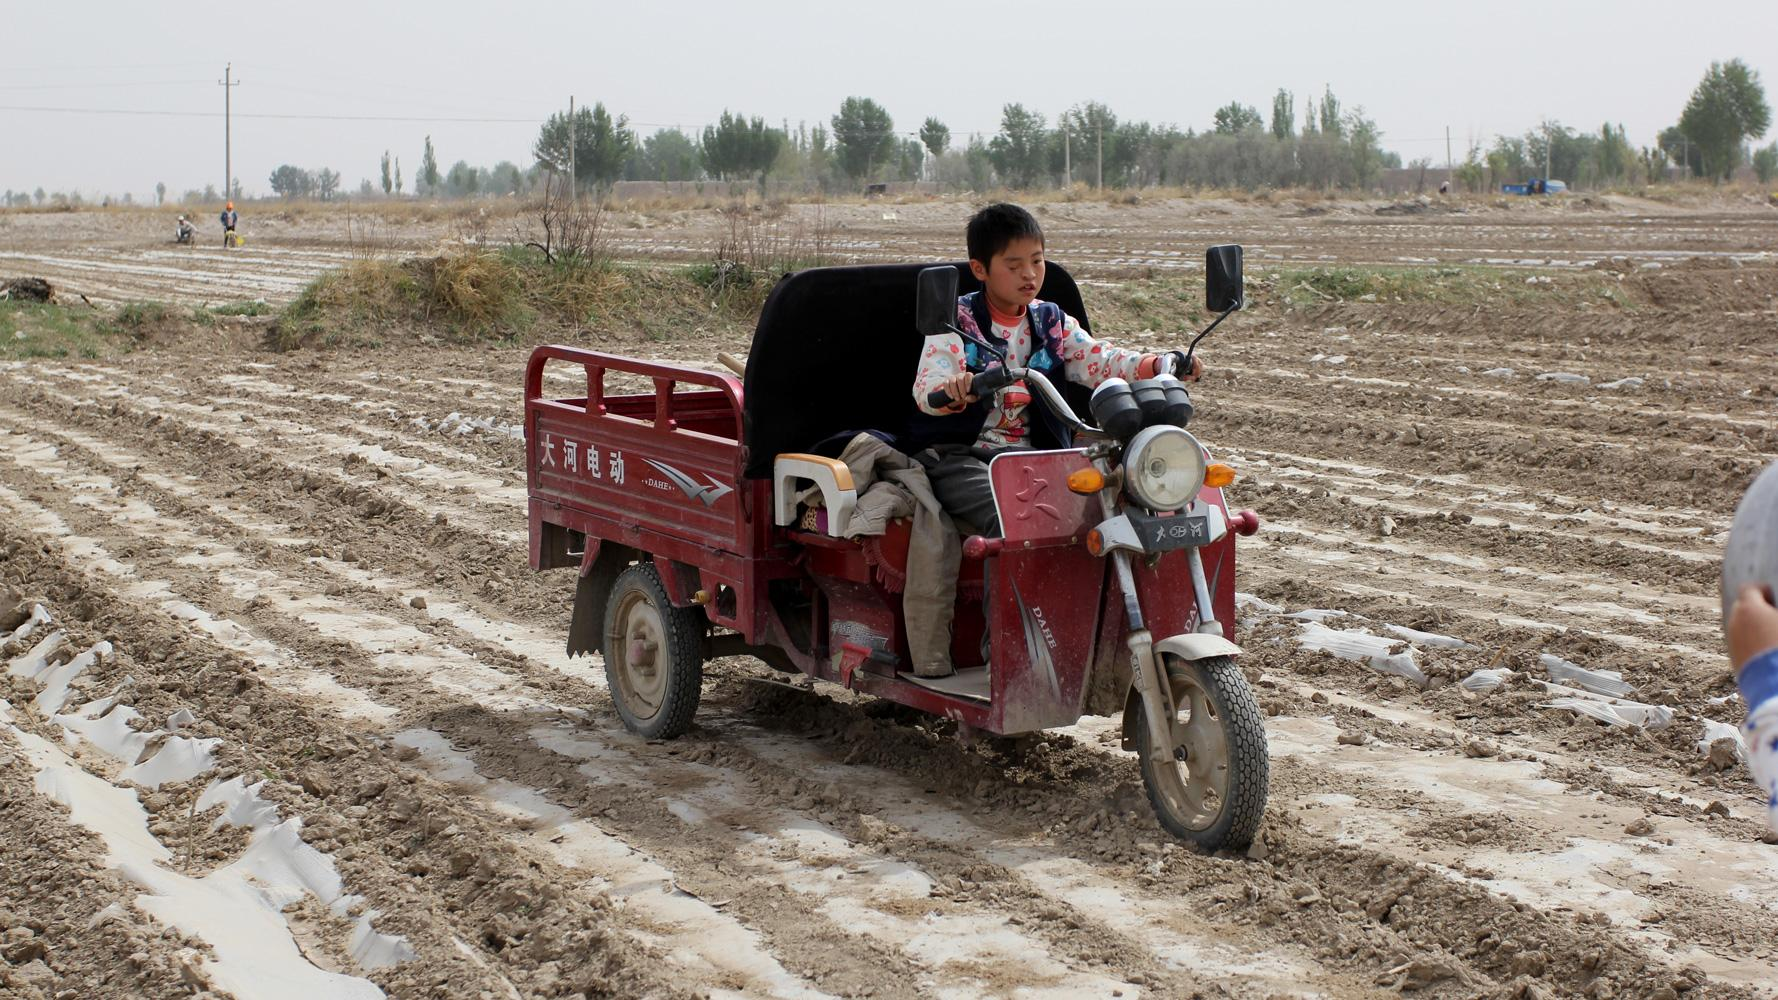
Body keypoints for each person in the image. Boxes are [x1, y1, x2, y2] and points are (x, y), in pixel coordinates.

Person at [908, 202, 1203, 539]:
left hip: (1042, 457)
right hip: (965, 458)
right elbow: (928, 388)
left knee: (1120, 502)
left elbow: (1101, 360)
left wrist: (1158, 364)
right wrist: (955, 387)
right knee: (1010, 516)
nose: (1030, 274)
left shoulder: (1051, 322)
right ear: (979, 269)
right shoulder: (956, 321)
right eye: (1014, 265)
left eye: (1036, 260)